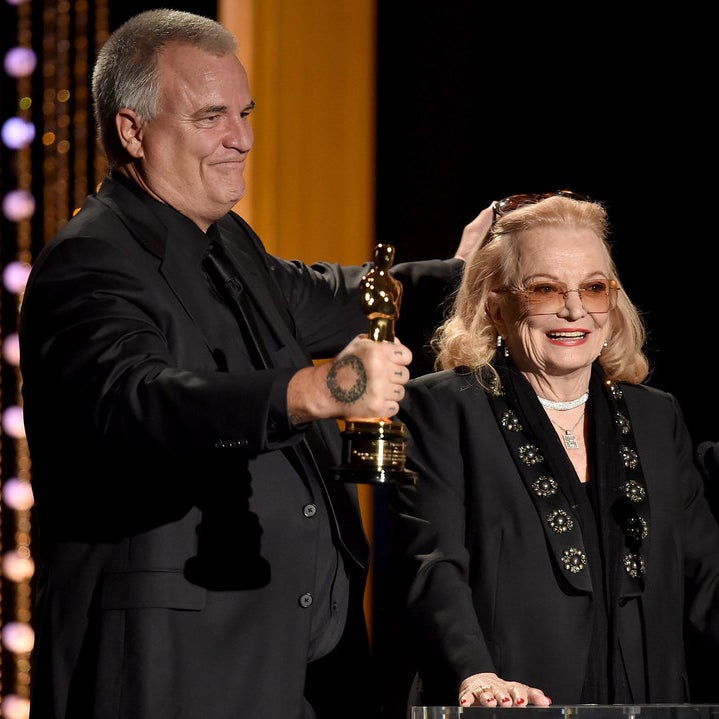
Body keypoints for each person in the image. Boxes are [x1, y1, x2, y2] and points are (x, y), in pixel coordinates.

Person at [18, 9, 472, 719]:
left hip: (298, 663)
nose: (242, 138)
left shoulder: (227, 240)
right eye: (210, 117)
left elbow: (336, 296)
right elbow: (139, 401)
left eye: (244, 111)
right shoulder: (88, 261)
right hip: (175, 673)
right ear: (132, 130)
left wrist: (478, 273)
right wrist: (315, 390)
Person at [387, 191, 719, 710]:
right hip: (513, 701)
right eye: (545, 289)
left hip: (647, 699)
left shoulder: (657, 416)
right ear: (496, 306)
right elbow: (431, 561)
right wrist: (475, 673)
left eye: (594, 287)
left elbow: (704, 573)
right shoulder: (442, 409)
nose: (574, 309)